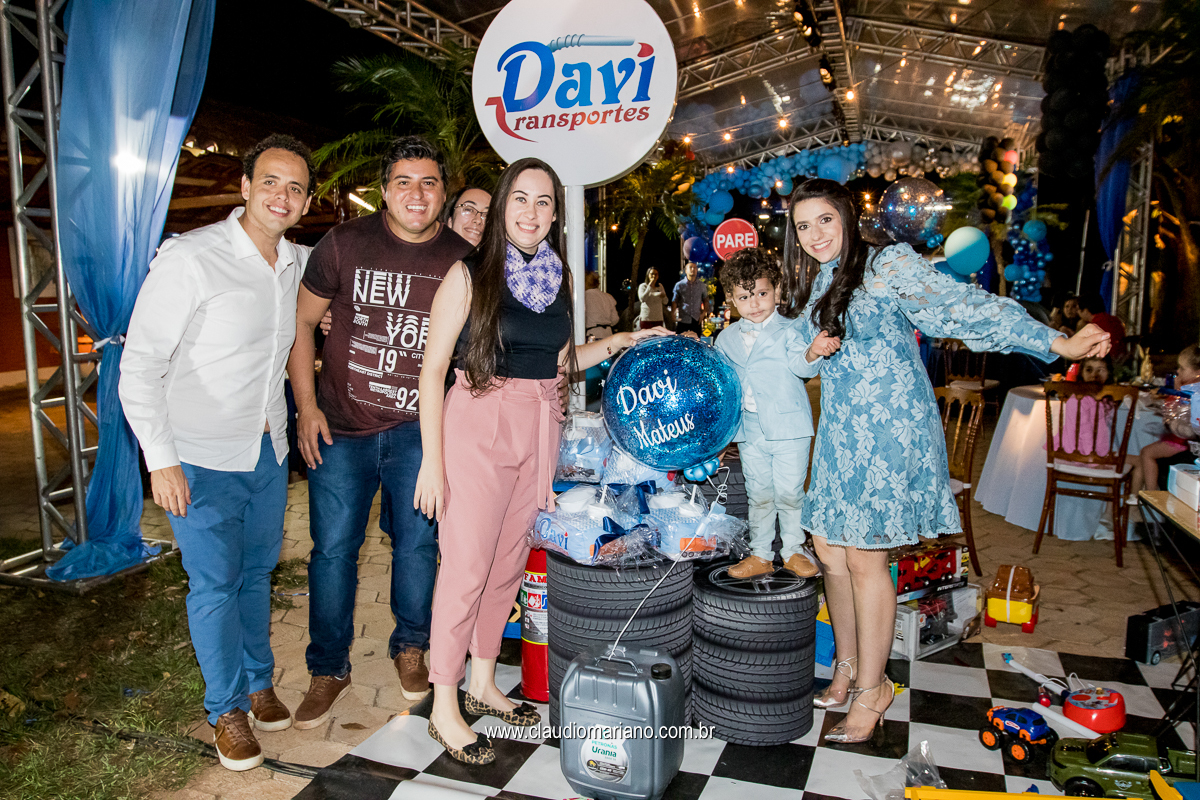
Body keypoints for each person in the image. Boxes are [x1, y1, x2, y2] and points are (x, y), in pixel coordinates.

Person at [786, 178, 1110, 744]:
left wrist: (1054, 342)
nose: (815, 234)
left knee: (863, 558)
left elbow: (961, 307)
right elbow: (800, 353)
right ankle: (846, 666)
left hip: (890, 430)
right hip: (842, 432)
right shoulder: (820, 277)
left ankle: (873, 689)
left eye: (825, 220)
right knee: (830, 552)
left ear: (847, 216)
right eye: (803, 226)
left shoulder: (886, 263)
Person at [414, 158, 666, 765]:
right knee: (466, 567)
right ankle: (444, 702)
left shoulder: (557, 278)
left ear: (556, 214)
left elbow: (556, 362)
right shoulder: (469, 274)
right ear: (503, 205)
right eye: (520, 199)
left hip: (539, 423)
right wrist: (431, 461)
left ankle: (481, 682)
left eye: (544, 201)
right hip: (479, 418)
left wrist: (618, 342)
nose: (531, 212)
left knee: (506, 564)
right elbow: (431, 369)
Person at [120, 134, 315, 771]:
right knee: (213, 585)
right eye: (270, 182)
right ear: (245, 187)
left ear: (306, 202)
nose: (281, 196)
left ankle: (259, 683)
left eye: (295, 188)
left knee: (257, 576)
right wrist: (161, 459)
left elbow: (362, 271)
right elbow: (139, 366)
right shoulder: (191, 258)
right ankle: (225, 709)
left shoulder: (296, 263)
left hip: (267, 452)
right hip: (199, 458)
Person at [287, 136, 473, 730]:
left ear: (443, 193)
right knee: (332, 551)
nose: (416, 193)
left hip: (420, 433)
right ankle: (328, 668)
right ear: (384, 191)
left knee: (417, 546)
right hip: (340, 430)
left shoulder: (463, 258)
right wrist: (306, 407)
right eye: (403, 182)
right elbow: (302, 324)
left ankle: (411, 646)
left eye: (429, 182)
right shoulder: (343, 244)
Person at [714, 247, 820, 580]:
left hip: (789, 427)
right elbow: (722, 383)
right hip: (751, 430)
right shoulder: (726, 338)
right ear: (732, 300)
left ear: (777, 290)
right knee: (758, 493)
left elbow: (801, 366)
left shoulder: (792, 328)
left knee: (789, 492)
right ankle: (760, 553)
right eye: (745, 297)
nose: (755, 303)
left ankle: (793, 550)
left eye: (762, 293)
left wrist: (813, 352)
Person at [318, 185, 492, 337]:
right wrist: (341, 313)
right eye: (468, 209)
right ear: (449, 219)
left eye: (488, 214)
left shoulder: (494, 277)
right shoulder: (419, 265)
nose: (478, 220)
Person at [1131, 345, 1200, 497]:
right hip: (1181, 437)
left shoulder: (1192, 391)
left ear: (1197, 372)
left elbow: (1180, 416)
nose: (1178, 371)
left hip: (1184, 441)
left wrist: (1176, 391)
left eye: (1182, 368)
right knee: (1146, 453)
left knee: (1147, 453)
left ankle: (1152, 494)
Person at [1078, 296, 1127, 361]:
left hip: (1104, 360)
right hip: (1121, 359)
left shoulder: (1093, 327)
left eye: (1079, 310)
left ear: (1085, 311)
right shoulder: (1114, 320)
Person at [672, 261, 710, 336]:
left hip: (696, 319)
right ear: (686, 270)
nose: (693, 269)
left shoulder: (701, 285)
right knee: (681, 340)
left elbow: (706, 299)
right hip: (683, 319)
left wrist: (704, 313)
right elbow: (674, 301)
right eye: (690, 267)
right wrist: (673, 313)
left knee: (696, 340)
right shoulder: (679, 285)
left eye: (695, 268)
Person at [584, 272, 619, 340]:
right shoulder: (608, 297)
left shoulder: (584, 297)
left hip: (592, 334)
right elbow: (615, 319)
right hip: (608, 334)